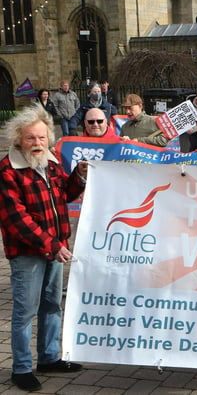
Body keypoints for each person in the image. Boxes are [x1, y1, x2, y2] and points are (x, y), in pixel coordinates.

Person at [0, 104, 87, 391]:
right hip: (28, 253)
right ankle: (21, 368)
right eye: (30, 138)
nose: (37, 144)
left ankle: (49, 357)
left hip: (55, 247)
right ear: (17, 139)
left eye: (41, 138)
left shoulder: (51, 162)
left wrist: (80, 176)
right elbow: (16, 219)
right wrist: (51, 245)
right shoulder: (7, 170)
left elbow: (65, 195)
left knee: (52, 306)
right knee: (25, 311)